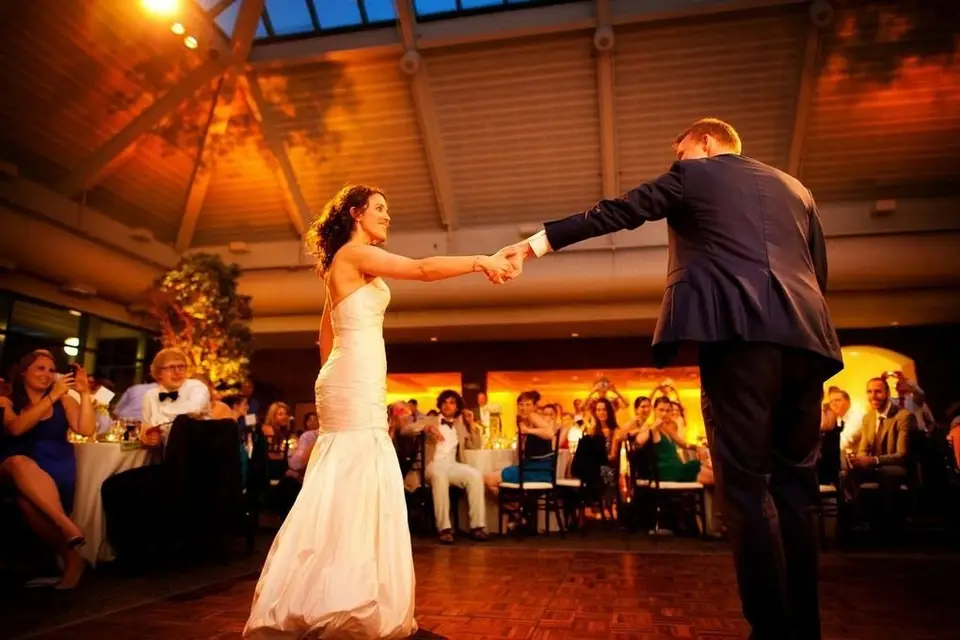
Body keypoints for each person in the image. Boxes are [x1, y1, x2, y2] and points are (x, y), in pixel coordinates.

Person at [497, 118, 843, 640]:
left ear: (705, 143)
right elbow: (818, 271)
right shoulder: (796, 188)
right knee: (796, 488)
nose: (677, 160)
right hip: (808, 341)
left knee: (745, 487)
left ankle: (771, 630)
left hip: (738, 335)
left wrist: (534, 245)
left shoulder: (694, 175)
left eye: (680, 150)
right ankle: (805, 629)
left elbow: (618, 211)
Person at [243, 184, 515, 639]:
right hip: (352, 379)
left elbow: (324, 335)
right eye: (380, 209)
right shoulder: (351, 255)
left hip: (352, 375)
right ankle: (341, 597)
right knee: (354, 475)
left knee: (350, 479)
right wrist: (481, 260)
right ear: (355, 213)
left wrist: (340, 369)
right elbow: (424, 268)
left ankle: (339, 594)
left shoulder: (344, 265)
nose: (388, 216)